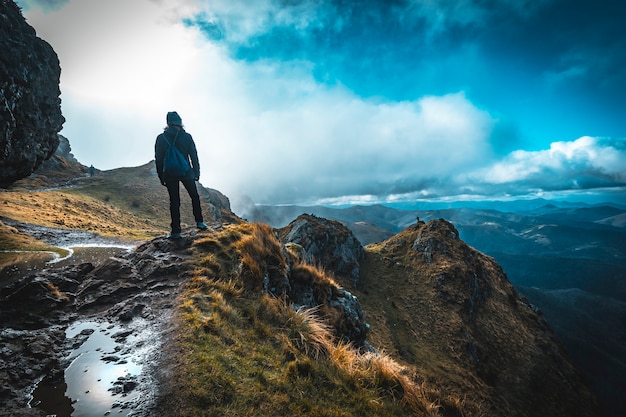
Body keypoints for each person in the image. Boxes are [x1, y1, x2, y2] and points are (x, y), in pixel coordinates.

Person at [155, 111, 208, 239]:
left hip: (170, 173)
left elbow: (159, 159)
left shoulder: (161, 138)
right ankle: (200, 222)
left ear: (168, 123)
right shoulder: (187, 137)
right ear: (180, 122)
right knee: (194, 196)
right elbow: (193, 156)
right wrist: (196, 172)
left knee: (174, 201)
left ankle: (175, 231)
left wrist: (161, 176)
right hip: (186, 171)